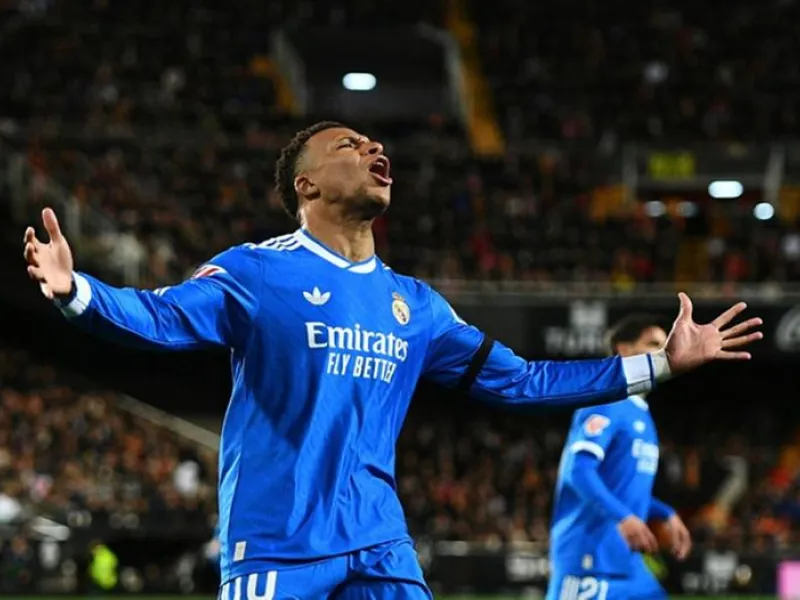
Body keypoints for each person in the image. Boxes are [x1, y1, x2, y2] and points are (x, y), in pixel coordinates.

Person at [23, 122, 762, 600]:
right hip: (277, 542)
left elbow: (521, 381)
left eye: (375, 145)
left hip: (379, 543)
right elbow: (160, 317)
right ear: (306, 185)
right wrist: (76, 291)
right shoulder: (257, 271)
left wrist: (660, 366)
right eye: (348, 146)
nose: (373, 150)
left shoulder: (418, 306)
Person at [546, 315, 694, 600]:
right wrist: (623, 516)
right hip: (588, 561)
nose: (663, 353)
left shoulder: (641, 414)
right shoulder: (607, 400)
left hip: (626, 562)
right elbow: (578, 470)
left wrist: (666, 513)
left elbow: (624, 490)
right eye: (653, 344)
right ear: (623, 350)